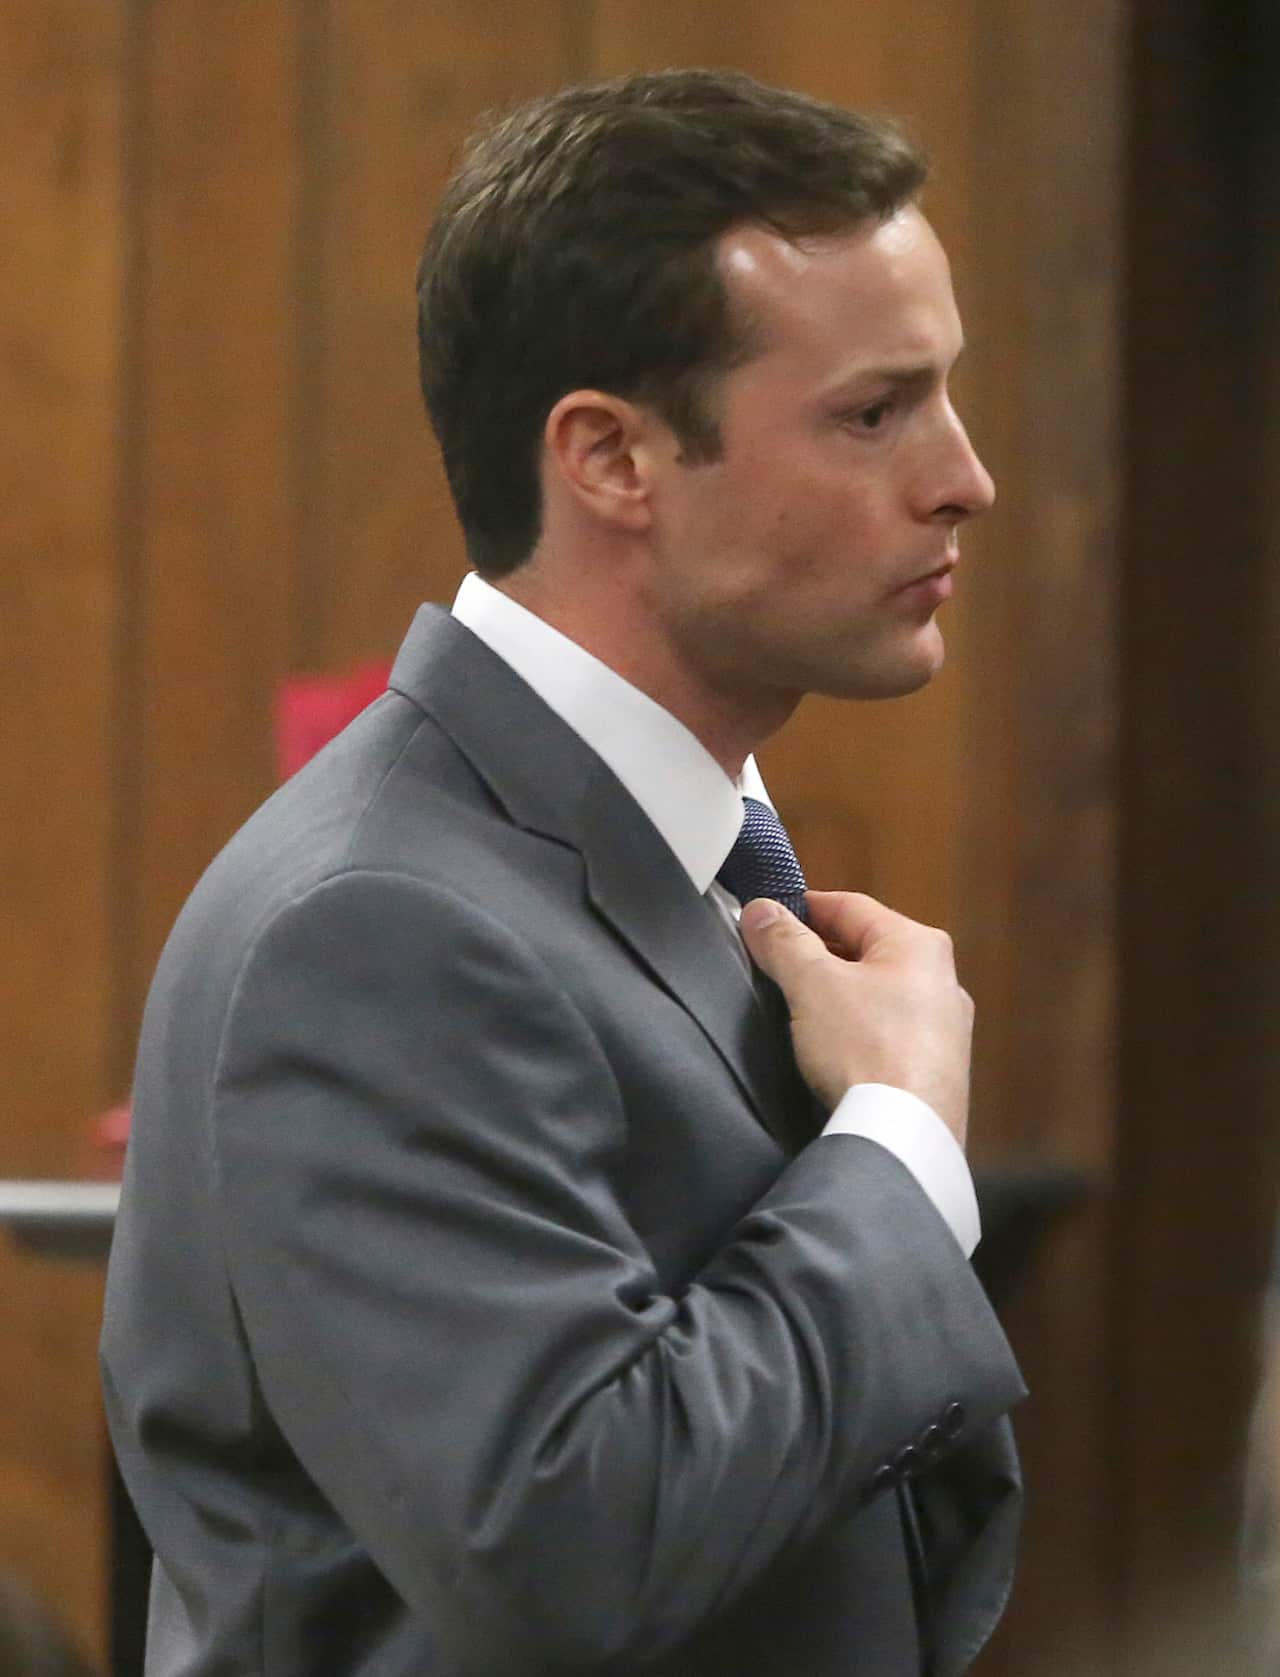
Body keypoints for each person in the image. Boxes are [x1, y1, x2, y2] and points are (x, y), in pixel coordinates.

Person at [101, 68, 1026, 1677]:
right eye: (875, 411)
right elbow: (575, 1544)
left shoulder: (682, 861)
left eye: (945, 397)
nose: (965, 476)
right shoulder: (373, 925)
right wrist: (894, 1142)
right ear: (609, 458)